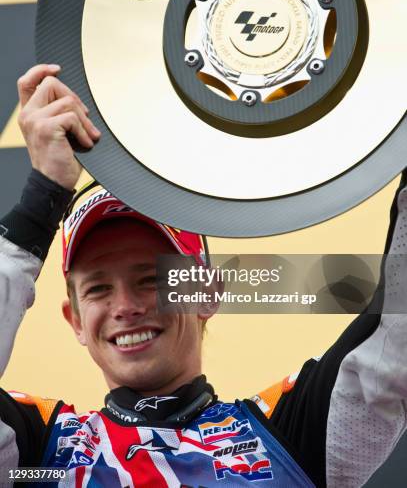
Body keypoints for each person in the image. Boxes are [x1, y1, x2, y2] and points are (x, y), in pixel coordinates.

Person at [0, 64, 406, 487]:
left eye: (151, 279)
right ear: (76, 320)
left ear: (205, 292)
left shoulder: (287, 437)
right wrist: (41, 198)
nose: (126, 307)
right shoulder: (41, 459)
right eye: (99, 288)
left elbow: (395, 344)